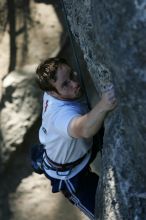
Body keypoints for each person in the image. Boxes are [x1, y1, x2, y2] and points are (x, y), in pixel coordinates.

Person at [35, 57, 117, 220]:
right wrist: (105, 103)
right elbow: (84, 129)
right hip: (70, 175)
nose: (74, 83)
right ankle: (39, 162)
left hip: (75, 149)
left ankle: (38, 159)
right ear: (51, 92)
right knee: (103, 215)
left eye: (72, 75)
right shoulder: (59, 115)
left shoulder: (51, 88)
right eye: (65, 84)